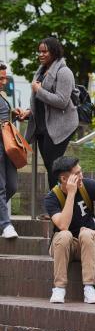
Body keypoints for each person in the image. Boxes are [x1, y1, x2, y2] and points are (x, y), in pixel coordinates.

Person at [45, 156, 95, 304]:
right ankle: (59, 288)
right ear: (64, 178)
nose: (82, 176)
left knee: (86, 233)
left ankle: (89, 288)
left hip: (86, 244)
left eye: (81, 171)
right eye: (77, 173)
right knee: (64, 235)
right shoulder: (51, 198)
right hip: (63, 246)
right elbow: (63, 226)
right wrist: (71, 194)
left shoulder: (88, 186)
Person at [20, 37, 79, 192]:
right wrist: (29, 111)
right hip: (41, 126)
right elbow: (39, 102)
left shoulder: (64, 72)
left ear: (54, 52)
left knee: (54, 166)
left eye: (44, 51)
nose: (41, 54)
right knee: (50, 165)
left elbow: (61, 101)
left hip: (59, 126)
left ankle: (59, 205)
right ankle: (59, 203)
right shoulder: (40, 72)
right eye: (39, 51)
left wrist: (39, 90)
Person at [0, 62, 25, 238]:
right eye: (0, 78)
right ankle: (5, 224)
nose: (3, 81)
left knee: (12, 185)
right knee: (0, 187)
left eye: (4, 78)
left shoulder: (2, 96)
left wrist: (13, 115)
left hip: (7, 145)